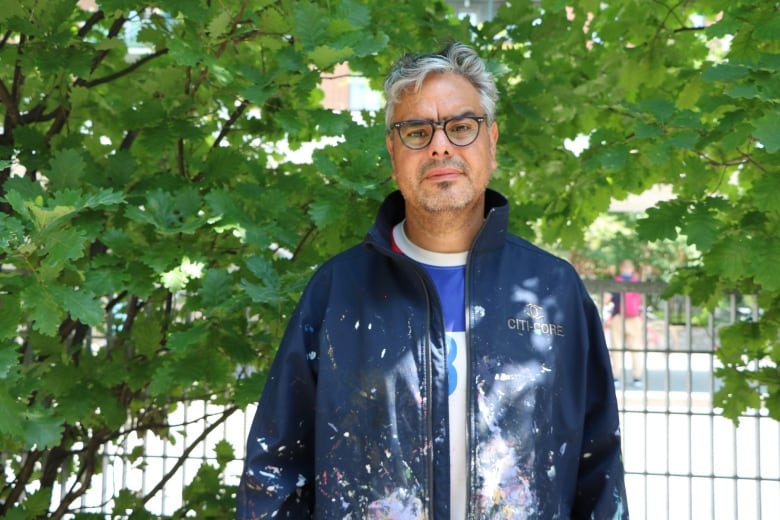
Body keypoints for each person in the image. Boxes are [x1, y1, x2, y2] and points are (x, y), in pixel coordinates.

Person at [237, 42, 629, 519]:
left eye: (461, 127)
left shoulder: (553, 293)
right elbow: (277, 471)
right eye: (417, 131)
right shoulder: (338, 292)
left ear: (492, 141)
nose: (440, 145)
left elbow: (599, 469)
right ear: (392, 150)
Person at [604, 259, 644, 389]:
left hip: (618, 318)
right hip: (635, 318)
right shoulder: (637, 282)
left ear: (621, 268)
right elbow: (641, 301)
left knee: (617, 348)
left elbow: (606, 300)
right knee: (636, 348)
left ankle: (615, 378)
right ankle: (637, 378)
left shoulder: (616, 281)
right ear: (632, 269)